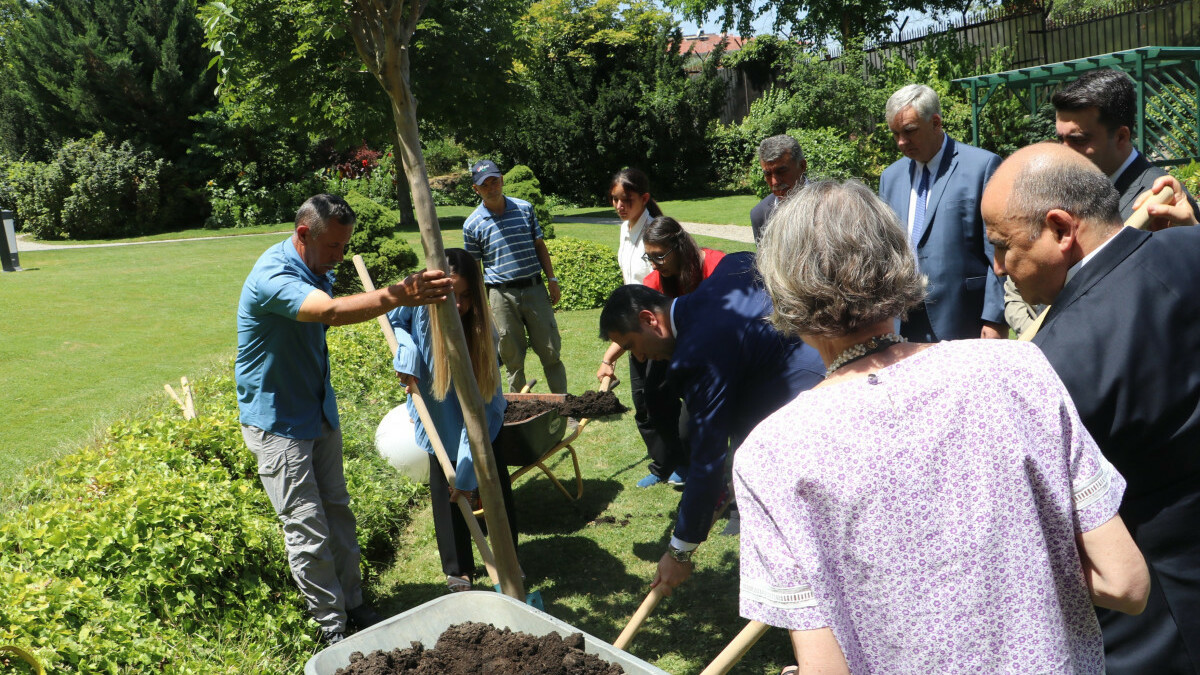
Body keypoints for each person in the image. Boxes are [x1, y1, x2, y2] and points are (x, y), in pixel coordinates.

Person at [737, 178, 1148, 674]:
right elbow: (1124, 582)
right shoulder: (1016, 369)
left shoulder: (770, 454)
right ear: (897, 259)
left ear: (784, 290)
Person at [983, 142, 1200, 674]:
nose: (997, 269)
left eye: (1003, 246)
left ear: (1061, 229)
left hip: (1161, 626)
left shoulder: (1052, 365)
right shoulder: (1192, 248)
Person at [235, 193, 453, 645]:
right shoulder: (272, 276)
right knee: (306, 526)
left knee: (338, 513)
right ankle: (331, 629)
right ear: (302, 235)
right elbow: (330, 313)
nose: (338, 256)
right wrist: (399, 293)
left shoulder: (316, 266)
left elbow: (332, 313)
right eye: (332, 246)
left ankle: (354, 604)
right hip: (277, 423)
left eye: (343, 246)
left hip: (316, 410)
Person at [599, 252, 824, 595]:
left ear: (650, 319)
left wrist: (679, 552)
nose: (640, 358)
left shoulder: (697, 358)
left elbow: (706, 459)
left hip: (811, 416)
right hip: (840, 362)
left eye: (632, 346)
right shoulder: (734, 265)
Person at [389, 248, 515, 594]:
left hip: (479, 429)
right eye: (449, 296)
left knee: (490, 489)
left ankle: (506, 563)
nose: (457, 306)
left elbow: (481, 415)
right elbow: (394, 322)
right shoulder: (418, 305)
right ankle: (458, 570)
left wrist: (464, 472)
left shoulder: (481, 334)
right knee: (446, 496)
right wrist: (408, 351)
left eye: (465, 297)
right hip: (437, 420)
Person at [598, 216, 727, 488]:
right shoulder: (655, 281)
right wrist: (609, 359)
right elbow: (634, 327)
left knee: (693, 421)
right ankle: (672, 464)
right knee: (652, 397)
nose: (655, 264)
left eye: (660, 256)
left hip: (713, 353)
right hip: (671, 349)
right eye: (650, 257)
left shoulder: (715, 266)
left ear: (679, 245)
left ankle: (708, 470)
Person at [878, 84, 1007, 342]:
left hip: (964, 319)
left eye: (909, 131)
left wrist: (995, 318)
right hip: (905, 323)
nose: (901, 142)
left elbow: (999, 251)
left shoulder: (982, 167)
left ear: (935, 122)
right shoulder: (890, 178)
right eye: (895, 134)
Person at [595, 170, 679, 488]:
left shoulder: (656, 234)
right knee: (643, 401)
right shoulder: (624, 230)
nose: (619, 205)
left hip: (659, 332)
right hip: (634, 331)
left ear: (644, 199)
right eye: (614, 199)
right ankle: (662, 464)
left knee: (665, 400)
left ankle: (681, 462)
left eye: (626, 200)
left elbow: (664, 289)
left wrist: (611, 353)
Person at [463, 159, 567, 393]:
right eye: (485, 185)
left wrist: (552, 280)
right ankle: (521, 416)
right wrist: (480, 304)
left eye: (495, 181)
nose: (492, 188)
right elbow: (475, 269)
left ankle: (564, 409)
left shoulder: (524, 208)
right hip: (501, 295)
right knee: (512, 359)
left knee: (551, 352)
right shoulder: (472, 225)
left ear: (502, 180)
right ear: (476, 189)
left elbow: (539, 244)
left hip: (534, 289)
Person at [1052, 68, 1199, 226]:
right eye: (1060, 139)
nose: (1064, 151)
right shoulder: (1075, 190)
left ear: (1121, 136)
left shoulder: (1165, 203)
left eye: (1078, 140)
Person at [750, 134, 807, 245]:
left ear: (802, 166)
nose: (775, 182)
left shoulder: (830, 201)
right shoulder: (760, 215)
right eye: (768, 174)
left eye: (781, 171)